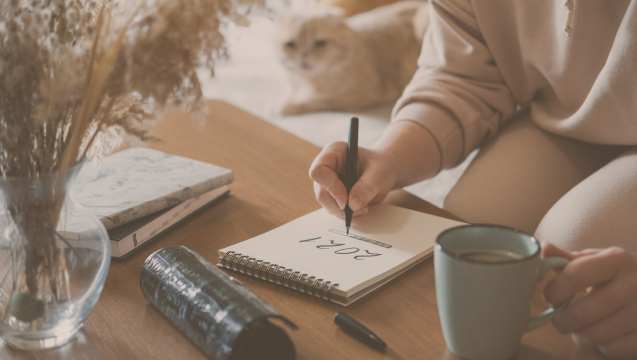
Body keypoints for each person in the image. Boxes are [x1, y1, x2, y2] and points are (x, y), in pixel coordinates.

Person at [309, 0, 637, 358]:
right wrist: (389, 156)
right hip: (565, 110)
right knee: (469, 226)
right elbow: (464, 73)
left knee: (579, 258)